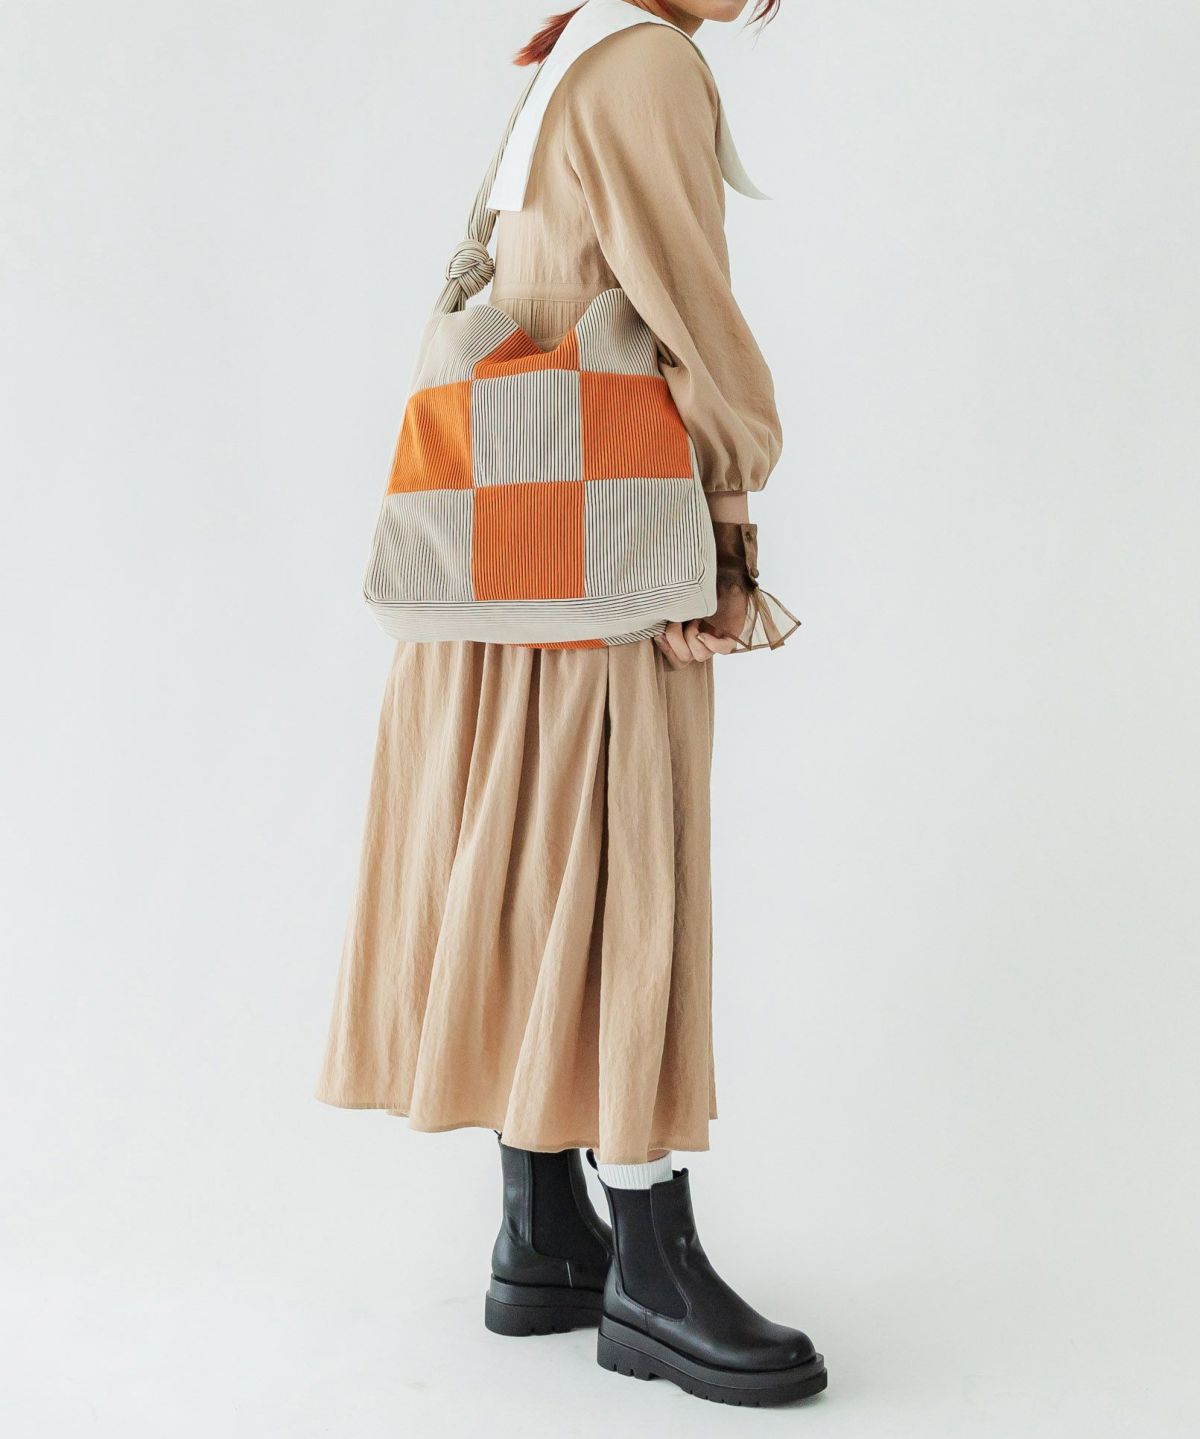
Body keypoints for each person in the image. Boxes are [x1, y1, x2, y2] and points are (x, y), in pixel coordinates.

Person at [317, 0, 825, 1406]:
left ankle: (541, 1231)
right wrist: (730, 521)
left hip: (500, 539)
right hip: (604, 546)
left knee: (531, 852)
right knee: (621, 866)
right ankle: (651, 1264)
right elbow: (686, 308)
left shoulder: (567, 55)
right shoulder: (650, 60)